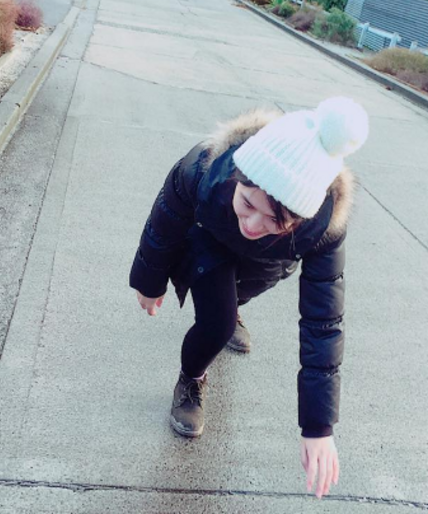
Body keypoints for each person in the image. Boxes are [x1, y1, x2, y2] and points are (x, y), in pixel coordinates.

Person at [130, 97, 369, 499]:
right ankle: (191, 379)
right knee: (217, 323)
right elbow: (165, 219)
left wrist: (318, 427)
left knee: (237, 296)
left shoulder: (323, 229)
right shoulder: (203, 168)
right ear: (238, 175)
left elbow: (324, 321)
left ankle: (235, 303)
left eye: (275, 219)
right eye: (248, 203)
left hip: (270, 259)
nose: (253, 224)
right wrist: (149, 280)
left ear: (302, 218)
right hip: (209, 238)